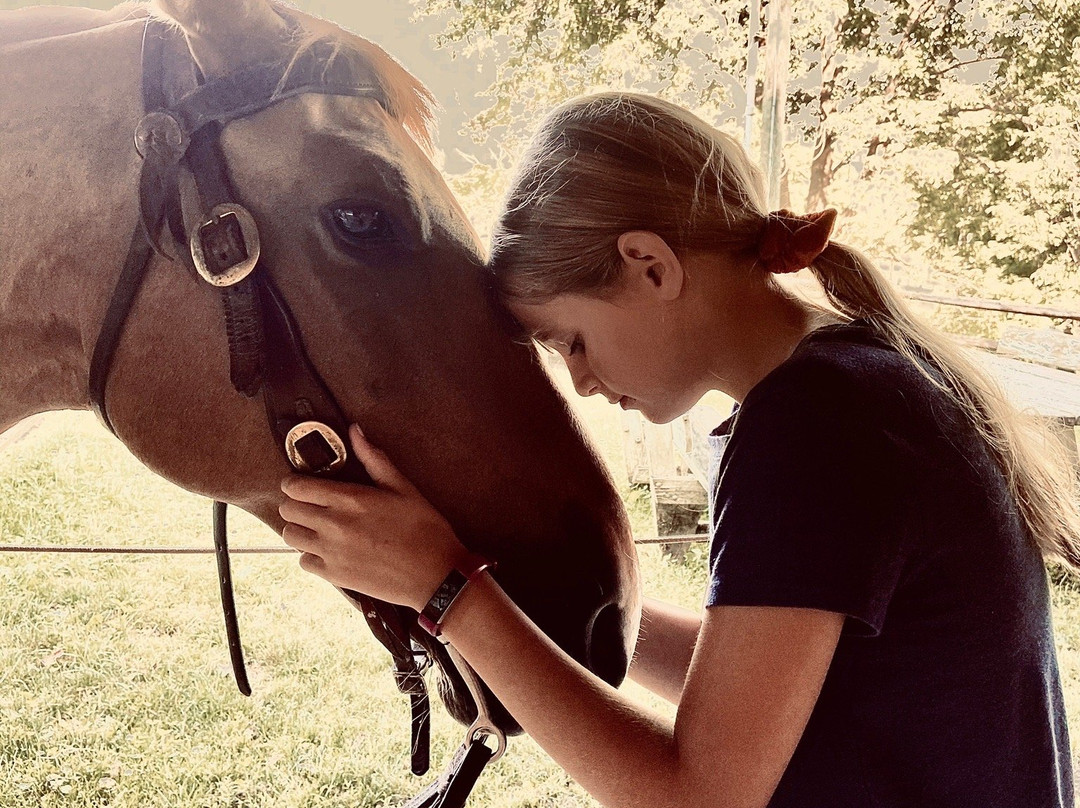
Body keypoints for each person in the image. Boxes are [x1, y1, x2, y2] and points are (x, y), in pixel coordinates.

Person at [277, 92, 1079, 808]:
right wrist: (519, 599)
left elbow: (700, 797)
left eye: (573, 342)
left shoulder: (812, 429)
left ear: (650, 266)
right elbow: (775, 681)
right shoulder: (867, 378)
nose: (582, 384)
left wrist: (449, 592)